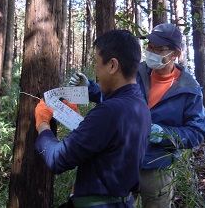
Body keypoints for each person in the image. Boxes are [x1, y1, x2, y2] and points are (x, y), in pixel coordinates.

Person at [70, 23, 205, 208]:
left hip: (156, 169)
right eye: (149, 47)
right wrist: (90, 88)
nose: (151, 52)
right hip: (124, 161)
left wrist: (163, 134)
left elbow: (198, 131)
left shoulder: (189, 89)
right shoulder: (137, 72)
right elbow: (115, 99)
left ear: (175, 54)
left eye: (158, 49)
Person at [35, 29, 152, 208]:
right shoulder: (139, 104)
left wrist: (42, 123)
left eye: (97, 64)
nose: (95, 71)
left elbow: (57, 159)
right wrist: (80, 115)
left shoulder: (109, 112)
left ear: (113, 65)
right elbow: (106, 141)